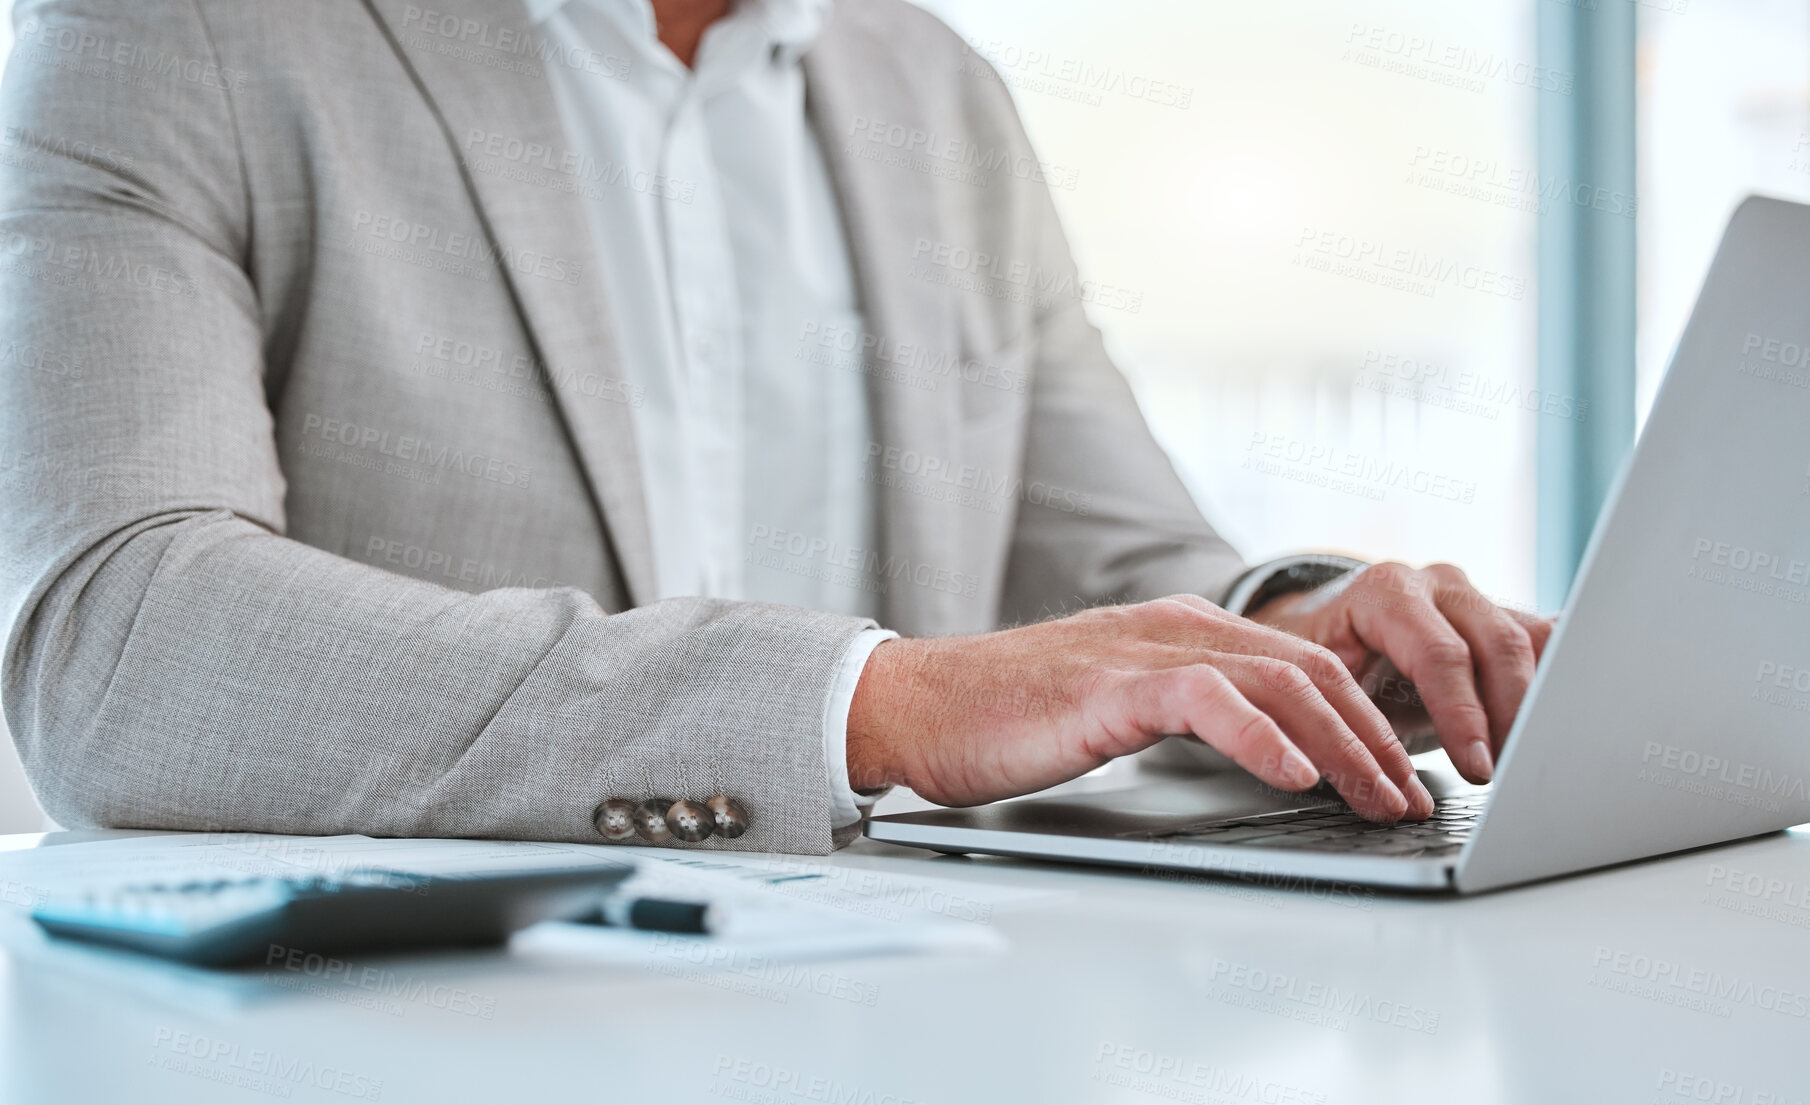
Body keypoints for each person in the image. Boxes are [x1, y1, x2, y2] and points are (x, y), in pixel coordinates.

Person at [0, 0, 1549, 854]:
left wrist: (1298, 631)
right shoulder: (172, 35)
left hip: (904, 1008)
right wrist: (870, 702)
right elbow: (118, 646)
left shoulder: (934, 87)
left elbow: (1120, 560)